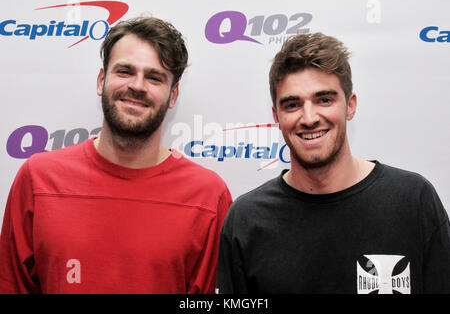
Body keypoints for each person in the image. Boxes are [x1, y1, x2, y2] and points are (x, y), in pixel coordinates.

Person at [0, 17, 232, 294]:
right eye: (124, 71)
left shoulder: (207, 196)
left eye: (154, 77)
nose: (137, 85)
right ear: (102, 80)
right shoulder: (38, 179)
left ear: (173, 95)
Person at [217, 32, 450, 294]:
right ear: (276, 116)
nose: (309, 118)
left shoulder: (413, 200)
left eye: (324, 100)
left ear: (350, 106)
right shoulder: (246, 219)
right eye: (293, 104)